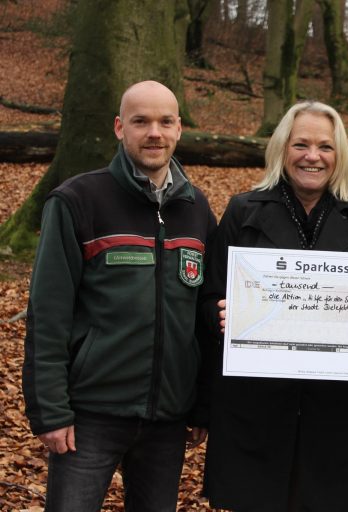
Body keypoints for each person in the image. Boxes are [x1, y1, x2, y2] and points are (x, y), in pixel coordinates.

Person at [22, 80, 217, 511]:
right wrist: (50, 411)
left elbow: (205, 315)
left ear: (179, 129)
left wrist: (202, 405)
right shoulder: (77, 200)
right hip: (91, 415)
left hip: (167, 420)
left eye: (165, 121)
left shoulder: (196, 208)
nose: (154, 133)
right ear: (118, 127)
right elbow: (48, 314)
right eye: (140, 121)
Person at [199, 101, 348, 511]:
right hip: (255, 408)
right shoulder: (243, 212)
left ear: (340, 156)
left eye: (325, 147)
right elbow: (207, 298)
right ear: (282, 149)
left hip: (336, 412)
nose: (312, 156)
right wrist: (220, 315)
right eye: (301, 144)